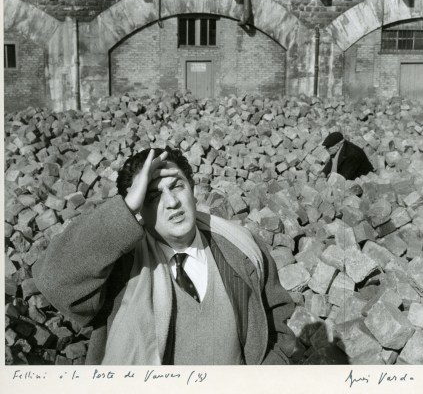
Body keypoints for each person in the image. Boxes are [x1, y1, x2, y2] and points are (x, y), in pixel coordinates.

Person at [33, 146, 296, 365]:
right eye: (153, 196)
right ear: (138, 209)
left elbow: (277, 321)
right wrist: (125, 207)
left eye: (177, 186)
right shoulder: (120, 267)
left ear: (192, 190)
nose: (171, 202)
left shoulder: (241, 246)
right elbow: (55, 281)